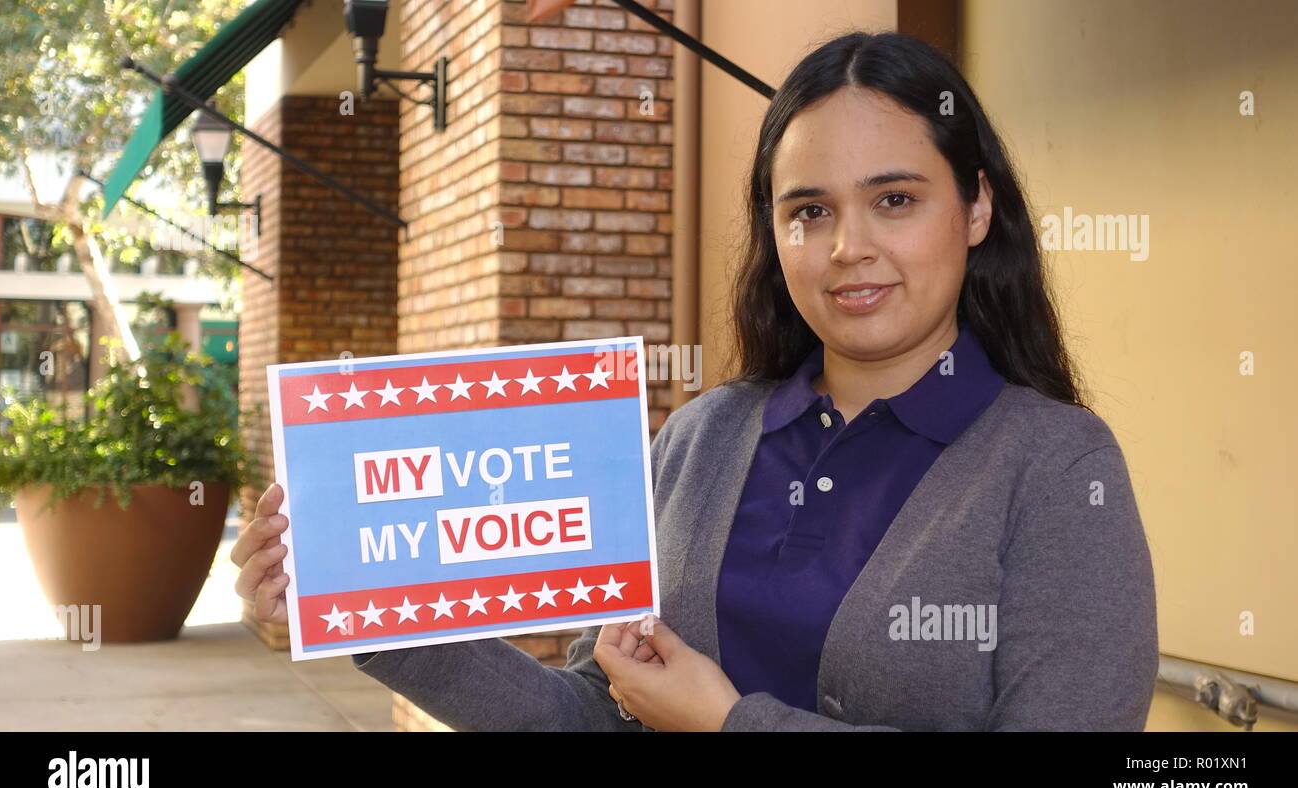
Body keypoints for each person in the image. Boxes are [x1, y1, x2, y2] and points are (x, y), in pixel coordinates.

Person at [234, 30, 1158, 731]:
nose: (848, 248)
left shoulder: (1055, 467)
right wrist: (358, 604)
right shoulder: (703, 436)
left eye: (895, 199)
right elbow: (594, 713)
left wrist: (728, 723)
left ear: (976, 206)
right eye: (808, 211)